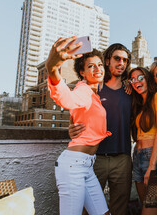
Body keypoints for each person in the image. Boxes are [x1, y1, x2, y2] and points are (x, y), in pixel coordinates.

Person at [46, 36, 110, 215]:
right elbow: (67, 98)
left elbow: (78, 114)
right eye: (91, 66)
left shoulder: (94, 94)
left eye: (100, 65)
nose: (97, 69)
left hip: (86, 166)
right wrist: (52, 68)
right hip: (73, 166)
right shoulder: (83, 90)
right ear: (82, 72)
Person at [69, 43, 132, 215]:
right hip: (95, 158)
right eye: (117, 58)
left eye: (125, 60)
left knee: (120, 208)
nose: (121, 63)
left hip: (123, 158)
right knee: (88, 208)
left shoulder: (131, 90)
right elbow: (76, 115)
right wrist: (71, 128)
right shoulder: (94, 87)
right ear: (107, 61)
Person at [129, 67, 157, 215]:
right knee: (149, 205)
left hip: (153, 156)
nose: (136, 81)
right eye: (132, 79)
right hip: (137, 156)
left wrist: (152, 165)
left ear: (148, 79)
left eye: (140, 77)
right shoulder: (137, 103)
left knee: (150, 209)